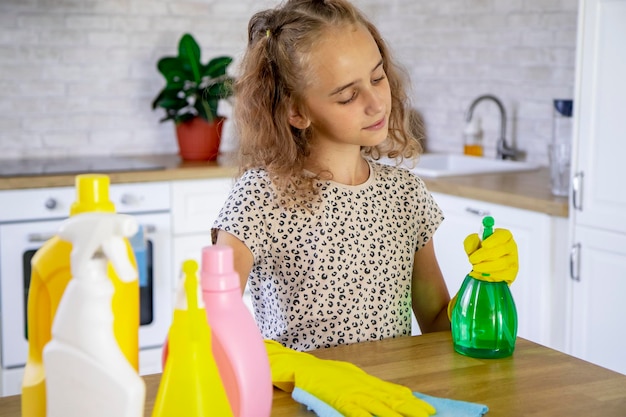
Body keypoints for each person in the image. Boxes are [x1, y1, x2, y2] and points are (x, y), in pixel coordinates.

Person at [212, 1, 518, 415]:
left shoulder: (405, 194)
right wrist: (305, 373)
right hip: (302, 405)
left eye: (377, 78)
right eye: (347, 95)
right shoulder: (260, 197)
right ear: (295, 110)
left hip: (392, 401)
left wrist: (484, 286)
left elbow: (437, 325)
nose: (376, 103)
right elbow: (210, 328)